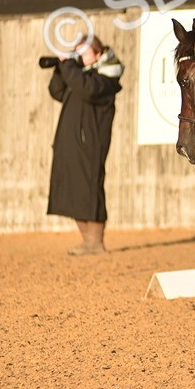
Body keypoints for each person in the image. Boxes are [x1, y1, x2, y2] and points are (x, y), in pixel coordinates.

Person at [46, 35, 123, 254]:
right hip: (70, 144)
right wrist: (60, 69)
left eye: (84, 53)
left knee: (89, 189)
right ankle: (88, 242)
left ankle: (96, 242)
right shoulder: (79, 75)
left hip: (90, 145)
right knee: (72, 190)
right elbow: (57, 91)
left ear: (98, 53)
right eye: (76, 53)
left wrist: (68, 65)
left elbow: (87, 88)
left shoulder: (106, 78)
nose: (79, 57)